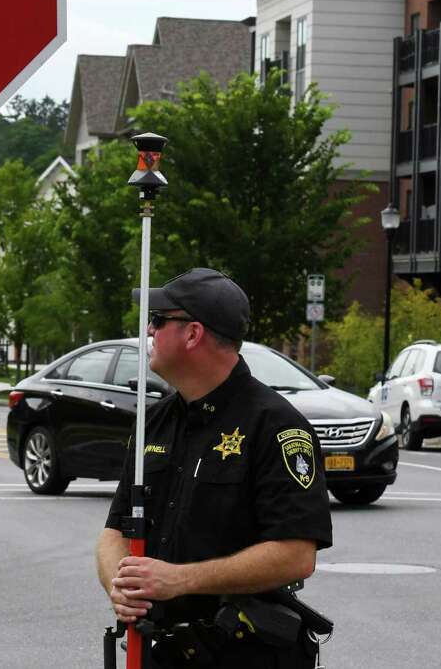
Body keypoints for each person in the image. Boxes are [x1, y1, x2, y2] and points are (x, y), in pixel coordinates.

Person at [96, 268, 333, 667]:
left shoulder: (275, 425)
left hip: (243, 653)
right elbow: (114, 531)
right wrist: (120, 586)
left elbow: (296, 555)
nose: (149, 331)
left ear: (192, 334)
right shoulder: (154, 421)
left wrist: (178, 579)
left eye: (157, 320)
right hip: (164, 651)